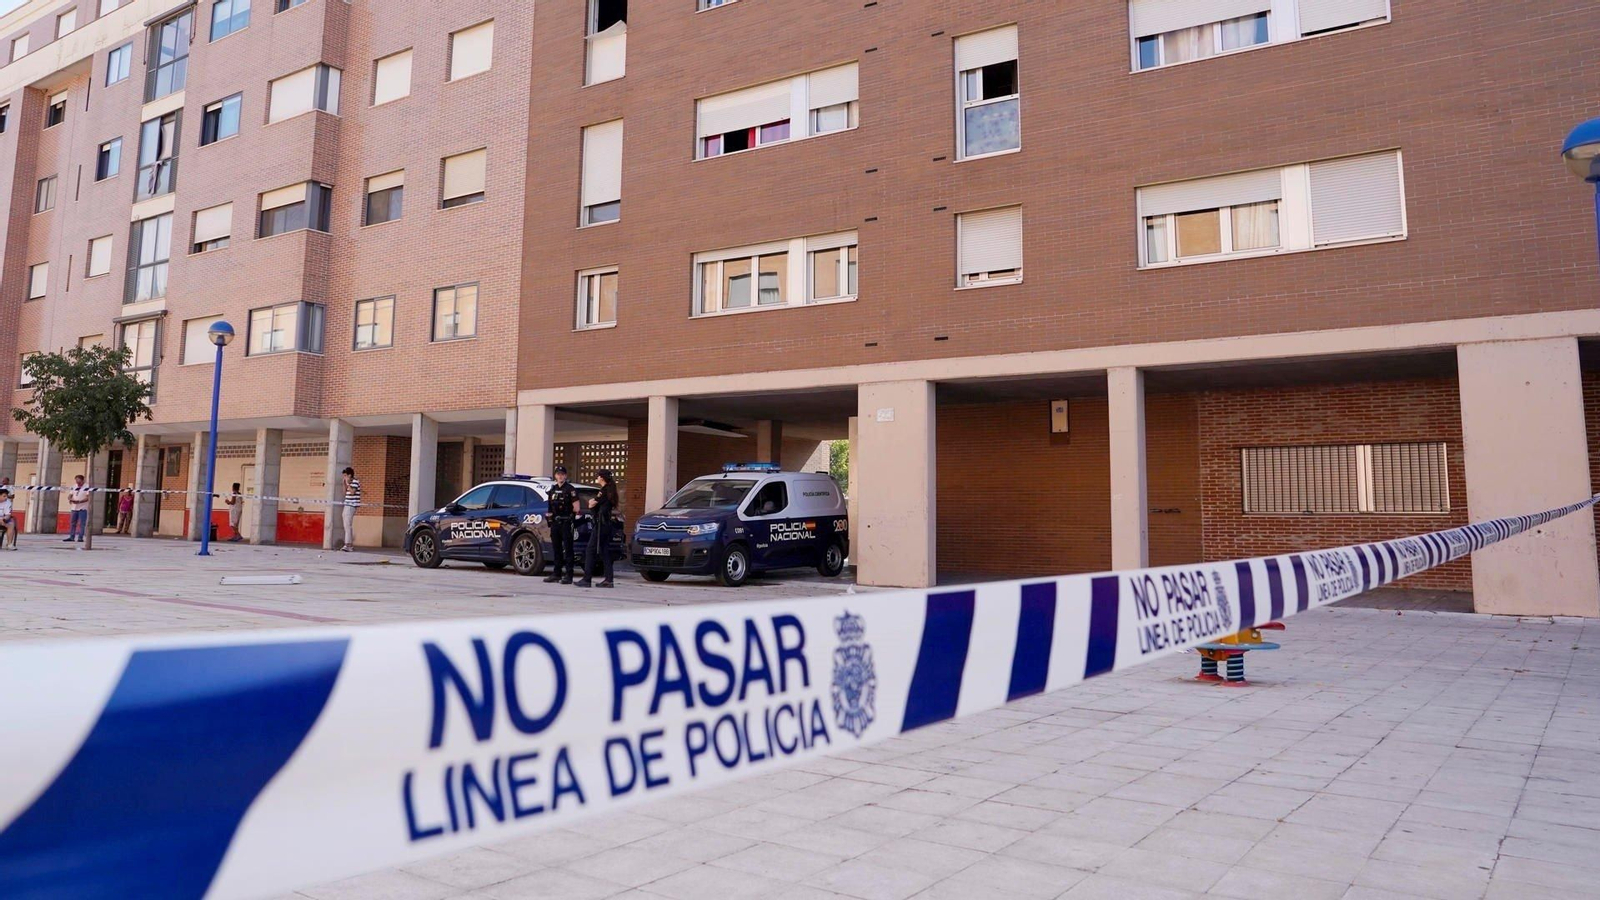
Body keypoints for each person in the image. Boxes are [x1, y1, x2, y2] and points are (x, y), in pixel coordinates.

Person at [575, 469, 618, 589]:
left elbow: (593, 504)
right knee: (604, 551)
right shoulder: (609, 490)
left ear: (602, 478)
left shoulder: (604, 491)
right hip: (605, 524)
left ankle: (587, 579)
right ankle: (609, 579)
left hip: (601, 525)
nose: (597, 478)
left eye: (598, 476)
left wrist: (591, 503)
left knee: (590, 550)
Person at [543, 465, 579, 584]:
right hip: (555, 523)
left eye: (562, 474)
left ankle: (569, 575)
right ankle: (556, 573)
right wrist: (549, 518)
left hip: (566, 522)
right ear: (555, 476)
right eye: (558, 474)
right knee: (556, 548)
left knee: (568, 549)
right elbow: (549, 507)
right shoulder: (552, 489)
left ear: (566, 476)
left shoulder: (570, 489)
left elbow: (576, 508)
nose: (560, 476)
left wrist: (570, 517)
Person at [65, 475, 91, 543]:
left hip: (83, 508)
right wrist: (70, 499)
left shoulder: (87, 487)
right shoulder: (74, 486)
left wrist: (79, 501)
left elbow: (88, 497)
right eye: (76, 480)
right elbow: (70, 495)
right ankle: (71, 537)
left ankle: (80, 537)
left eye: (79, 480)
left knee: (82, 523)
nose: (77, 482)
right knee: (73, 523)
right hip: (74, 508)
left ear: (82, 480)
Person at [340, 466, 360, 551]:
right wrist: (344, 484)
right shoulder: (349, 483)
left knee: (348, 525)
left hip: (351, 505)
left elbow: (352, 493)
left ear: (350, 475)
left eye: (345, 475)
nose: (344, 477)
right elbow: (345, 493)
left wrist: (348, 483)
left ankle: (348, 544)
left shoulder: (355, 482)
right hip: (347, 504)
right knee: (346, 525)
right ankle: (349, 543)